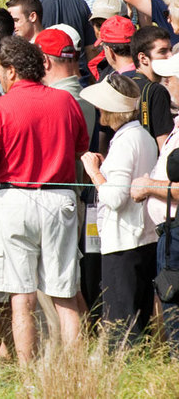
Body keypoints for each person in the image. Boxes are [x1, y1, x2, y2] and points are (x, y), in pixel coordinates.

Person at [0, 35, 89, 363]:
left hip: (15, 199)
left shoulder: (1, 107)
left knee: (22, 298)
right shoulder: (65, 100)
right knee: (65, 295)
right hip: (60, 198)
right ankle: (77, 374)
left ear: (11, 71)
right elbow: (80, 148)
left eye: (0, 70)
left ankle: (28, 379)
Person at [78, 73, 158, 344]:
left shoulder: (126, 141)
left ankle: (126, 368)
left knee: (121, 328)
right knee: (136, 322)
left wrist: (94, 172)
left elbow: (115, 198)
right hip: (140, 237)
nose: (99, 109)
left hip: (123, 241)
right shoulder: (141, 135)